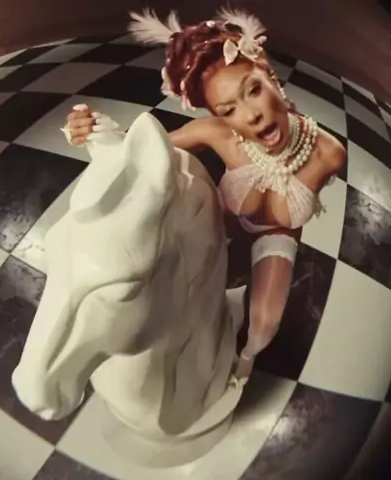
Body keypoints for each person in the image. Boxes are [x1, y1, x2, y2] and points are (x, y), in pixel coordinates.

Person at [62, 7, 346, 382]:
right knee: (157, 287)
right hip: (218, 219)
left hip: (275, 234)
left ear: (268, 72)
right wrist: (94, 131)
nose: (251, 116)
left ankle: (246, 356)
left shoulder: (329, 154)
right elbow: (140, 147)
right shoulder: (219, 134)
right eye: (229, 109)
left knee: (265, 322)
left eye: (253, 90)